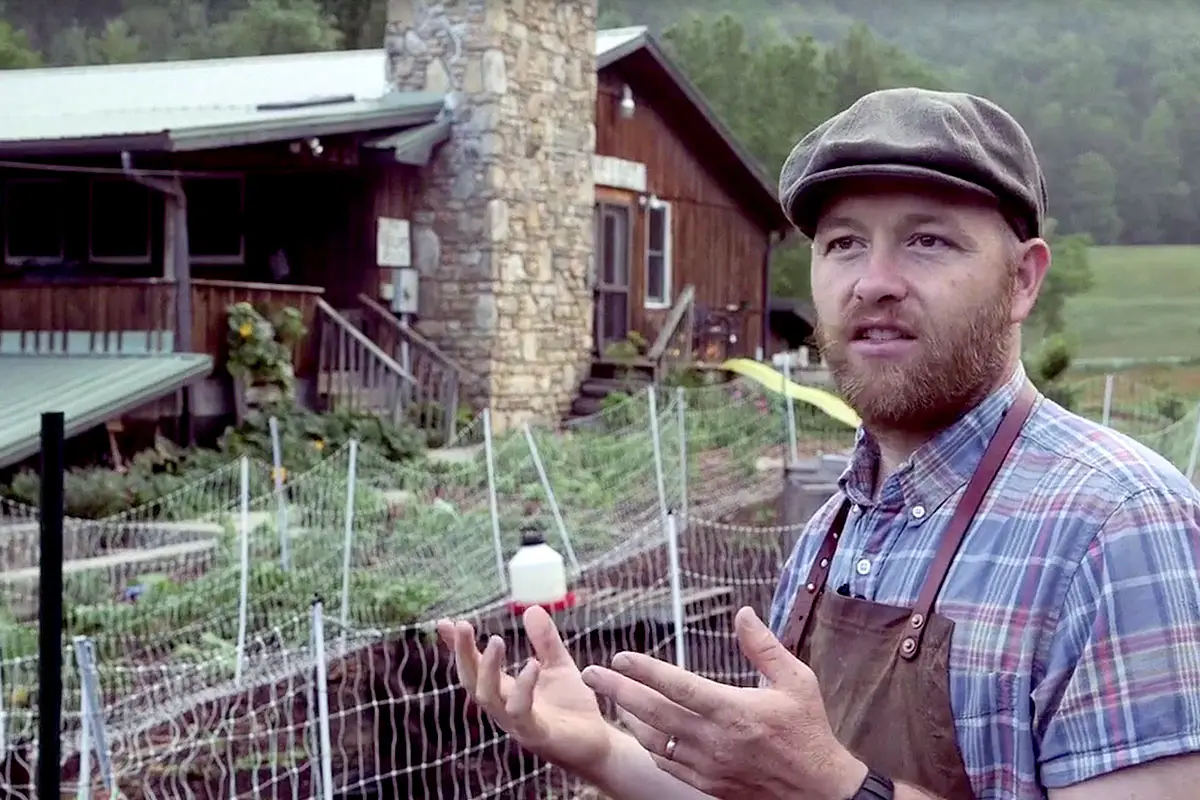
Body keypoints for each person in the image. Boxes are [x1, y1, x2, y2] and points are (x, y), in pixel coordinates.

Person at [437, 87, 1200, 800]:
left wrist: (841, 788)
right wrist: (599, 750)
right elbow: (774, 788)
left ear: (1025, 280)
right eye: (842, 244)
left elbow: (816, 785)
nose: (874, 282)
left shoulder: (1116, 524)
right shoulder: (832, 532)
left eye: (928, 240)